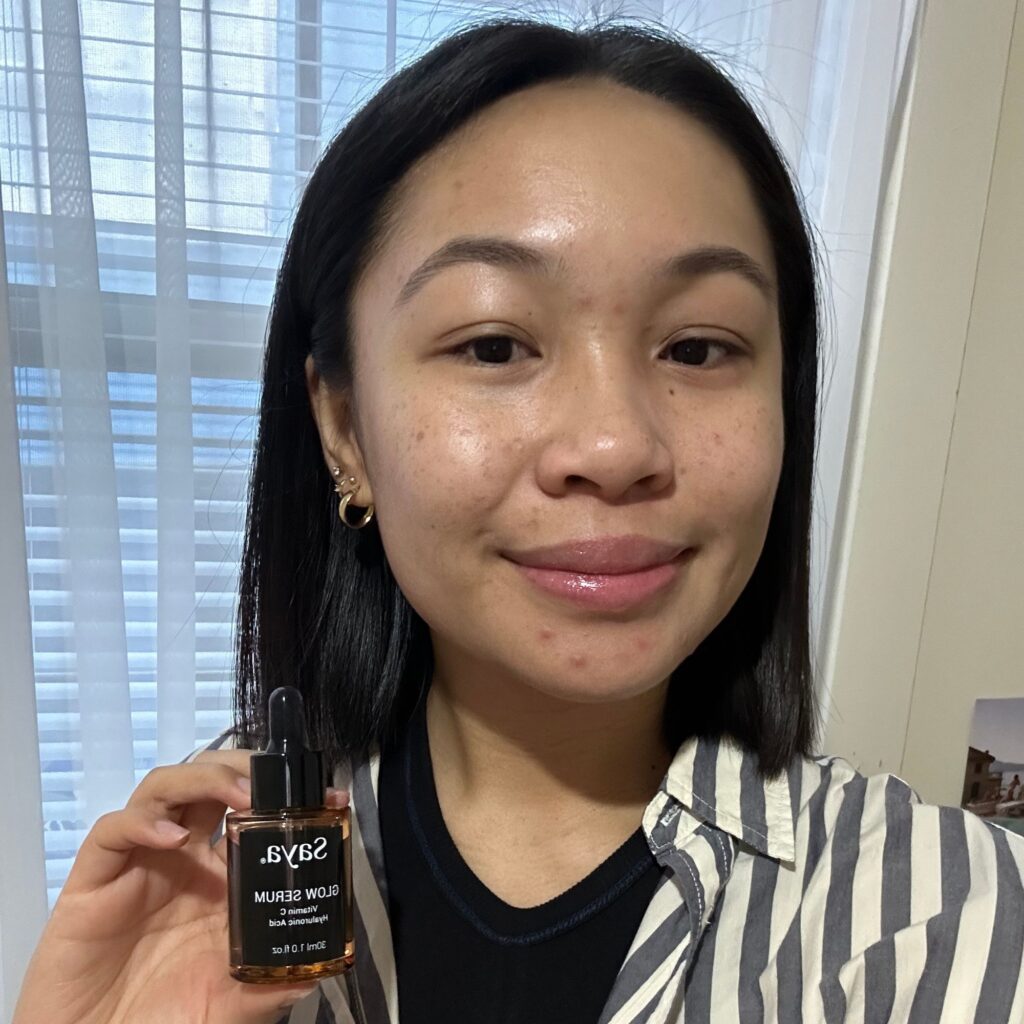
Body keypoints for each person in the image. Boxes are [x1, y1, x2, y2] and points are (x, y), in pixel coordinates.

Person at [14, 15, 1024, 1024]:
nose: (615, 445)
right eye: (494, 346)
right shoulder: (220, 872)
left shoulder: (962, 923)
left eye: (699, 348)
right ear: (344, 428)